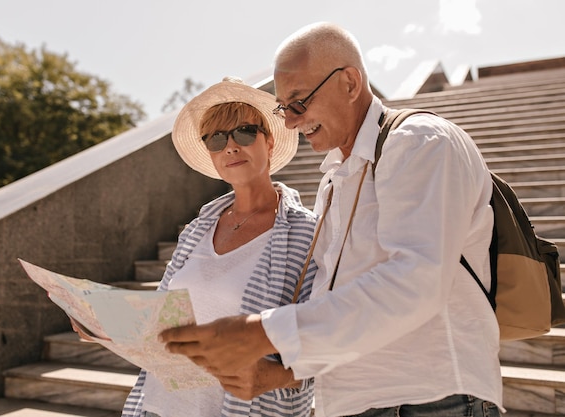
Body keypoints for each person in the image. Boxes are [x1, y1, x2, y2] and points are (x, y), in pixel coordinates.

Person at [159, 22, 503, 417]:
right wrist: (275, 375)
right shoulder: (334, 180)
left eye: (298, 102)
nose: (289, 121)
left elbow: (416, 280)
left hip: (431, 399)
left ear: (350, 83)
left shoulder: (420, 141)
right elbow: (335, 304)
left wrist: (261, 332)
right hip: (353, 401)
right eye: (284, 107)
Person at [116, 76, 318, 417]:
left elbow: (332, 337)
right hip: (159, 406)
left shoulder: (307, 234)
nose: (230, 147)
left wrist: (275, 376)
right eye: (216, 138)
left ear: (269, 141)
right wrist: (107, 324)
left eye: (244, 132)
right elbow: (160, 320)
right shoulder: (196, 230)